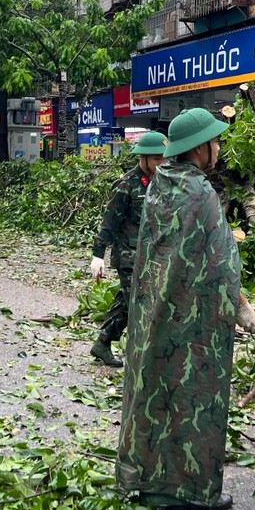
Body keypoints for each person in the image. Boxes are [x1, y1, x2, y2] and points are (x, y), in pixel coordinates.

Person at [115, 109, 255, 510]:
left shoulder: (160, 185)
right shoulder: (200, 192)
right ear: (200, 147)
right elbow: (220, 263)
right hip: (194, 319)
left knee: (155, 392)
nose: (218, 148)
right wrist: (241, 308)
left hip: (154, 312)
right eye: (214, 142)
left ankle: (147, 481)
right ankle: (194, 492)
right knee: (195, 397)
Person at [88, 131, 168, 367]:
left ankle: (102, 343)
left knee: (127, 300)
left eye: (164, 158)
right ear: (143, 158)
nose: (161, 163)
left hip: (151, 255)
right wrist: (98, 254)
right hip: (129, 256)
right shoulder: (127, 184)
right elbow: (109, 221)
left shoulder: (162, 183)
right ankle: (143, 356)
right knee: (141, 304)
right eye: (156, 159)